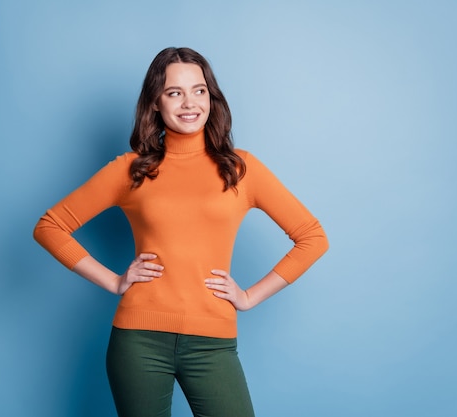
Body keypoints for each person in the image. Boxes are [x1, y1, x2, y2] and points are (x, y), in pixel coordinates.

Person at [33, 47, 328, 417]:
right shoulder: (132, 170)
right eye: (175, 92)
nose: (190, 103)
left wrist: (250, 296)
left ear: (211, 97)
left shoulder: (241, 169)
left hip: (213, 343)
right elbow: (50, 226)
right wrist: (113, 281)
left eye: (199, 90)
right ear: (155, 102)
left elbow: (313, 237)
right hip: (138, 341)